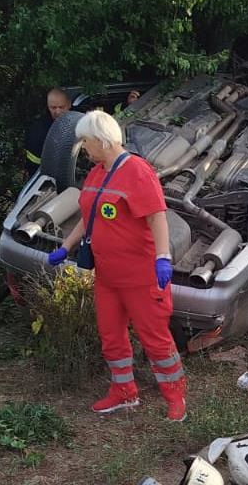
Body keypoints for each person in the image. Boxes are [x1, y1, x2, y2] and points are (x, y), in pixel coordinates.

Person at [47, 110, 186, 421]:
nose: (83, 147)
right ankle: (124, 392)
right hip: (108, 276)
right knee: (110, 334)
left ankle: (175, 397)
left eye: (85, 141)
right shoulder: (97, 173)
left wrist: (163, 258)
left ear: (101, 140)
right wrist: (66, 247)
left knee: (155, 338)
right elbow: (89, 215)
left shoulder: (137, 171)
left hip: (140, 277)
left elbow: (156, 216)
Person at [25, 88, 72, 174]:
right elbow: (35, 162)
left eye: (61, 107)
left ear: (69, 104)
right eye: (53, 108)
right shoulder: (39, 131)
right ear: (48, 106)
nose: (57, 111)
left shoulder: (78, 119)